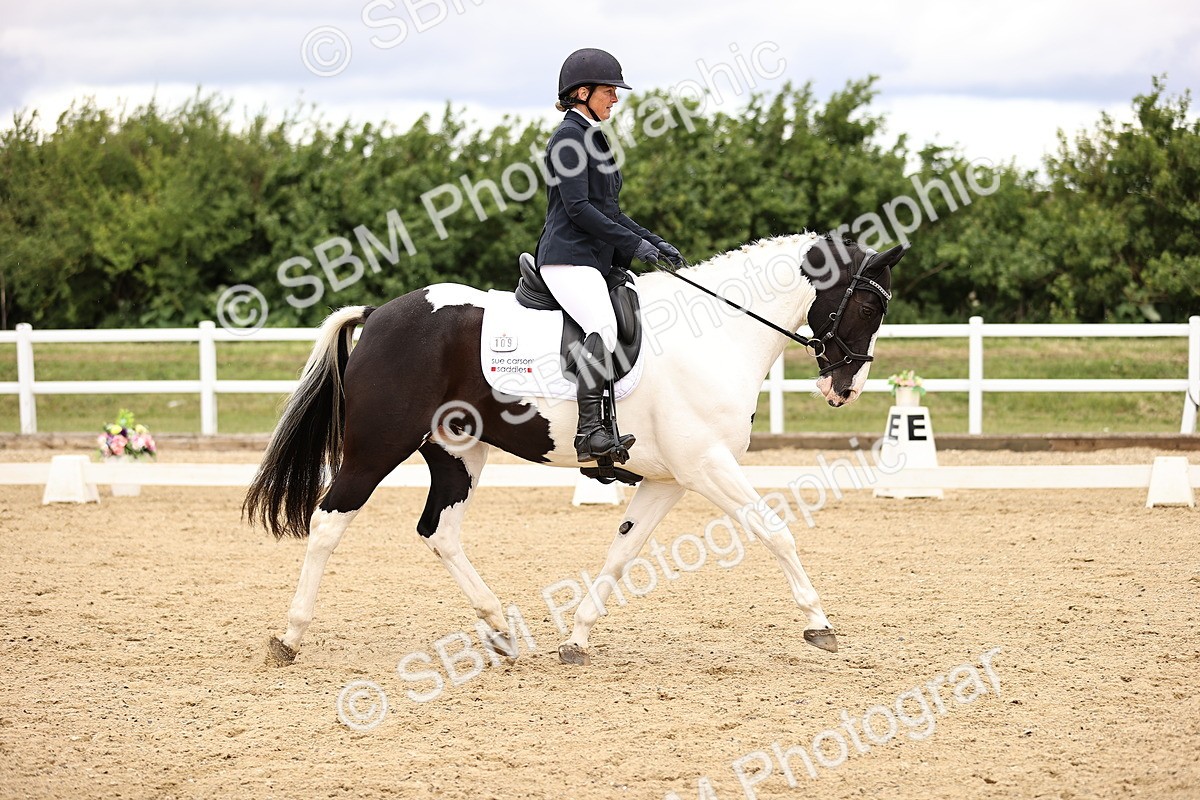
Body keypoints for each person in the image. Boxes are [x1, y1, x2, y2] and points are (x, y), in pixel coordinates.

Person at [536, 47, 685, 463]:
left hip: (591, 257)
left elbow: (611, 211)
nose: (615, 99)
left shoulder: (592, 137)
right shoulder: (568, 139)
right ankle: (588, 432)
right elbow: (579, 209)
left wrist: (653, 242)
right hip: (567, 257)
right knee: (601, 322)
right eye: (609, 91)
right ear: (582, 92)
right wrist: (633, 245)